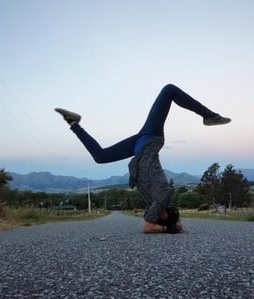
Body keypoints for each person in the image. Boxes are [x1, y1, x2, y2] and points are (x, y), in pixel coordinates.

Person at [55, 84, 231, 233]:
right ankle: (209, 116)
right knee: (169, 90)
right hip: (150, 139)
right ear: (164, 215)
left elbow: (163, 224)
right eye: (160, 216)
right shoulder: (162, 199)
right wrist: (169, 228)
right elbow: (148, 227)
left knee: (100, 157)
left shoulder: (156, 201)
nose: (155, 214)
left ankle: (74, 123)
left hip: (139, 146)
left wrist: (171, 226)